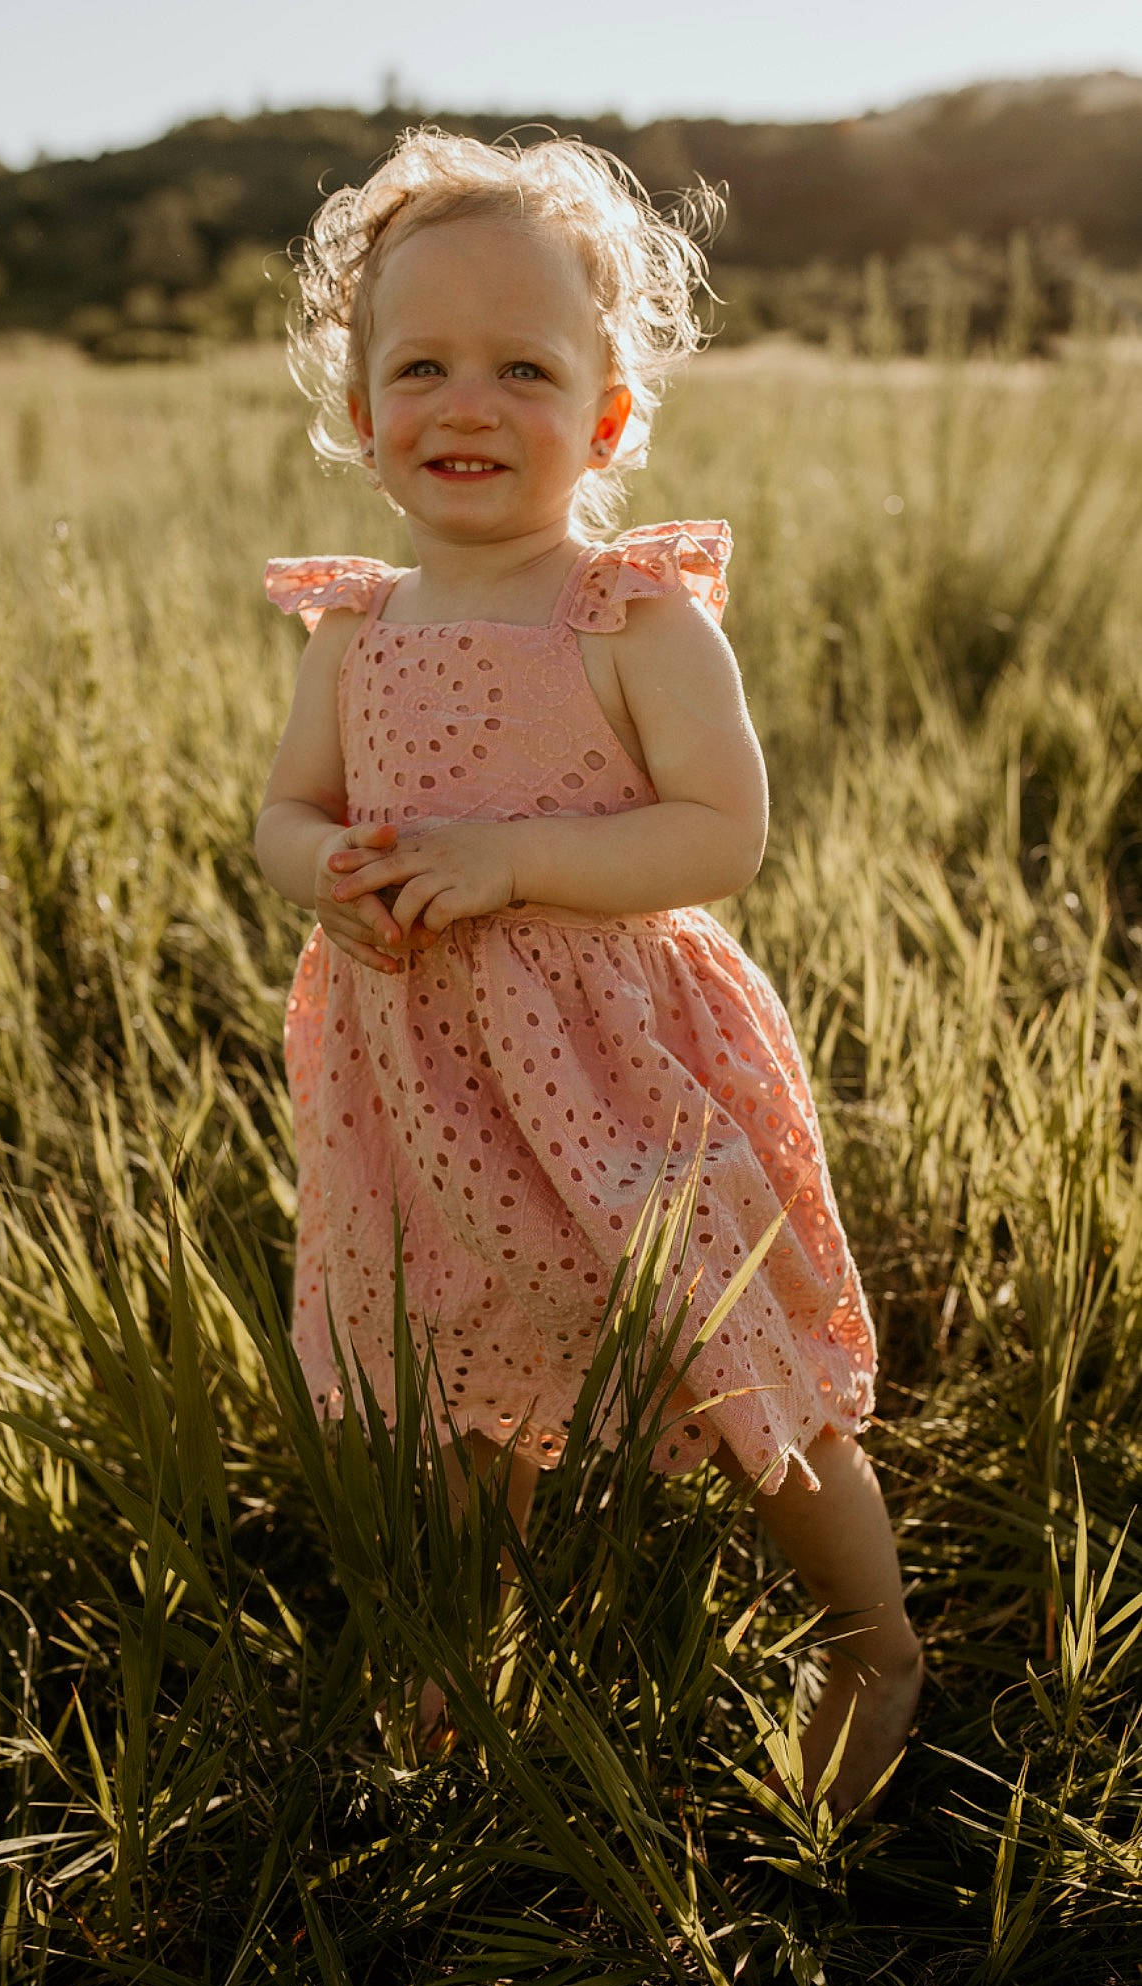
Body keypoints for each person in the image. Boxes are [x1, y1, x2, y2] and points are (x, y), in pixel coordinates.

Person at [254, 128, 922, 1814]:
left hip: (623, 1068)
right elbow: (286, 809)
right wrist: (322, 873)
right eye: (420, 365)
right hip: (427, 1075)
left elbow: (717, 835)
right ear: (355, 406)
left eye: (523, 368)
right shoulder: (354, 626)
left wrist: (515, 859)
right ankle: (462, 1656)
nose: (464, 402)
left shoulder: (627, 616)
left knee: (731, 1341)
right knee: (463, 1371)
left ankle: (868, 1628)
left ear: (608, 413)